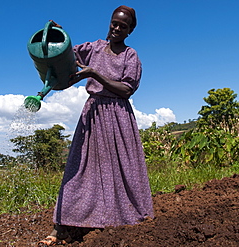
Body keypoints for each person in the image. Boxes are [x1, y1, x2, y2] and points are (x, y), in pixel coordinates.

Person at [38, 5, 154, 246]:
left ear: (130, 31)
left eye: (123, 26)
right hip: (92, 115)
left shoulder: (130, 56)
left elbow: (126, 90)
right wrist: (61, 37)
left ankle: (121, 220)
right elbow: (66, 58)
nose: (117, 28)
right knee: (79, 170)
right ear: (110, 22)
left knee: (123, 171)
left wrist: (95, 74)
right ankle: (62, 227)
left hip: (118, 117)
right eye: (114, 23)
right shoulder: (95, 47)